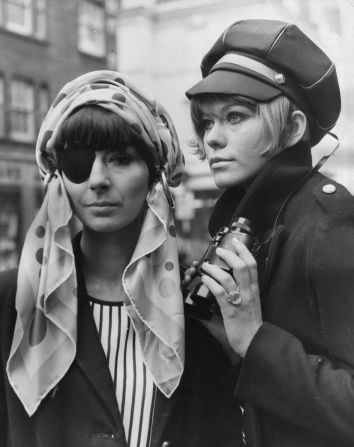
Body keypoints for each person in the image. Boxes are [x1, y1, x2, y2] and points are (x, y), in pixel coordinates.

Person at [0, 71, 242, 447]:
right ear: (58, 175)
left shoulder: (197, 304)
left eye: (120, 159)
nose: (97, 179)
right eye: (79, 161)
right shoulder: (15, 299)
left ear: (154, 174)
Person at [184, 19, 354, 447]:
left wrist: (255, 339)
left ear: (293, 128)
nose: (212, 140)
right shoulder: (248, 223)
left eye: (235, 117)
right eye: (207, 123)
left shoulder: (328, 224)